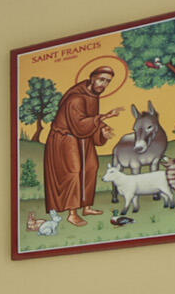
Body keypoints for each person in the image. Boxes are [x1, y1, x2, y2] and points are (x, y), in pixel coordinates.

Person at [41, 58, 121, 224]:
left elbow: (88, 121)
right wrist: (104, 117)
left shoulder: (93, 96)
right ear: (92, 78)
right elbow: (78, 124)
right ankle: (72, 213)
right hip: (66, 139)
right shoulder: (76, 98)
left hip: (83, 138)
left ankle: (86, 206)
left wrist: (102, 130)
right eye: (101, 79)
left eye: (107, 81)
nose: (104, 84)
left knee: (91, 167)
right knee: (74, 171)